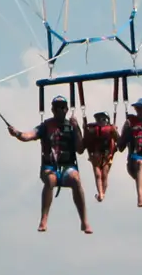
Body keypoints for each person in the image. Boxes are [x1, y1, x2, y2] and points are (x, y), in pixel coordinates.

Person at [8, 94, 91, 233]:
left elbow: (80, 150)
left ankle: (84, 221)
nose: (60, 110)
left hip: (67, 167)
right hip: (49, 167)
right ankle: (44, 219)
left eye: (62, 108)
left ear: (66, 109)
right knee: (51, 179)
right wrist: (17, 133)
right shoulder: (46, 126)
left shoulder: (72, 127)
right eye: (57, 107)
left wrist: (77, 129)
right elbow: (28, 135)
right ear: (52, 109)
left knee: (76, 179)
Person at [83, 111, 119, 202]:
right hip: (96, 155)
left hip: (108, 156)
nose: (100, 121)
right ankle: (100, 193)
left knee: (104, 175)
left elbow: (119, 140)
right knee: (98, 174)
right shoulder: (93, 129)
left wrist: (115, 131)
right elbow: (86, 139)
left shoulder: (110, 129)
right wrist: (85, 130)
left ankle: (103, 193)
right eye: (98, 119)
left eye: (102, 119)